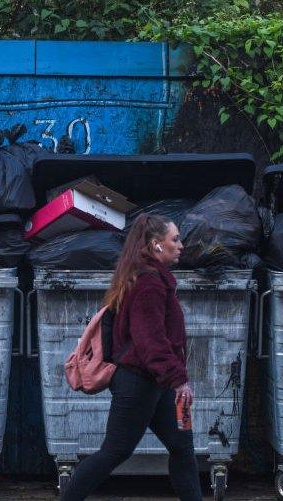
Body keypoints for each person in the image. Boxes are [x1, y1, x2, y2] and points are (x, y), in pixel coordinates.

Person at [61, 213, 201, 501]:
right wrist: (179, 379)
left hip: (157, 384)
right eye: (175, 239)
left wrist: (172, 380)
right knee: (115, 451)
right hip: (138, 382)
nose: (181, 245)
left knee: (181, 445)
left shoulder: (153, 279)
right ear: (156, 245)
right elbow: (150, 342)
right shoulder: (149, 284)